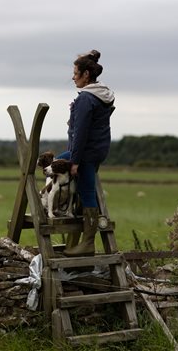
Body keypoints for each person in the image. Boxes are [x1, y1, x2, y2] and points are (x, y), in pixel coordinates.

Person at [59, 50, 115, 257]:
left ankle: (87, 242)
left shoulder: (86, 99)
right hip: (97, 149)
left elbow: (81, 132)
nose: (73, 77)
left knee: (86, 191)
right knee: (57, 165)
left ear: (86, 75)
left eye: (75, 73)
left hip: (85, 152)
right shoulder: (102, 95)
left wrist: (74, 161)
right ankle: (68, 212)